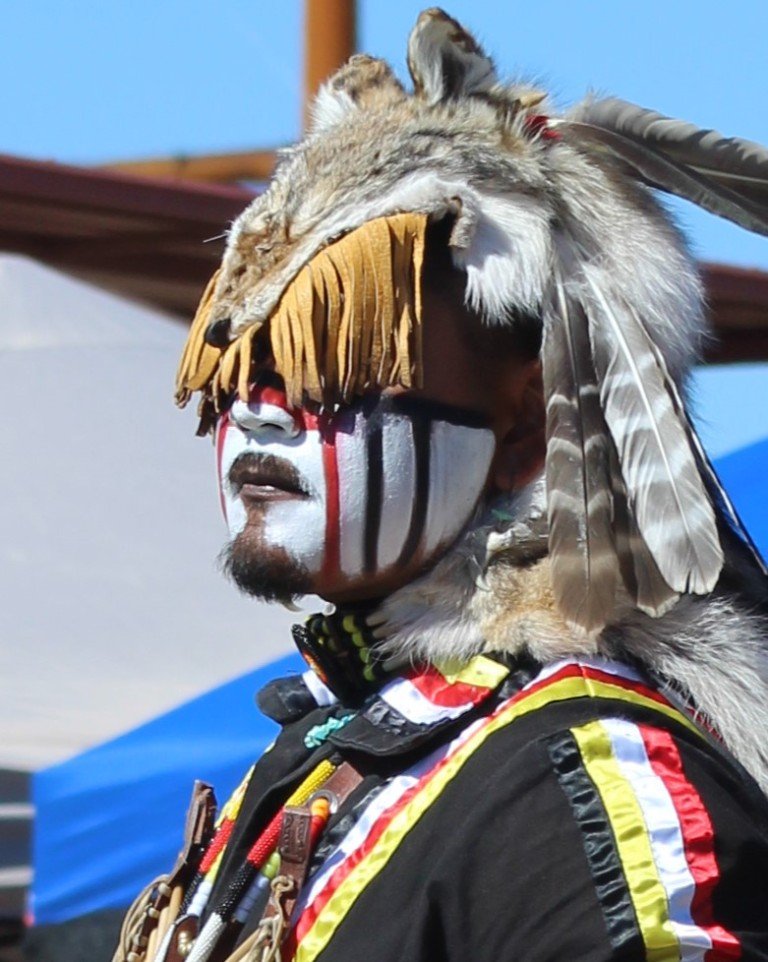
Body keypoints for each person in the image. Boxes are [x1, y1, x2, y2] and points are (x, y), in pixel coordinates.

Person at [115, 9, 768, 961]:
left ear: (526, 427)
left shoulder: (584, 781)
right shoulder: (332, 747)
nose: (260, 412)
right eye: (245, 364)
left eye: (328, 367)